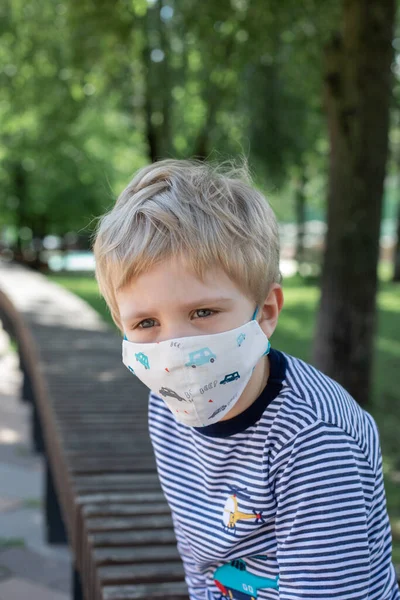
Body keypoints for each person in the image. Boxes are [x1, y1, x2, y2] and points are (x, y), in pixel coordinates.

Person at [92, 159, 399, 600]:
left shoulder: (315, 437)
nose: (176, 352)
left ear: (267, 313)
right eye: (144, 323)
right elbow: (199, 563)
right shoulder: (167, 405)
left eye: (203, 312)